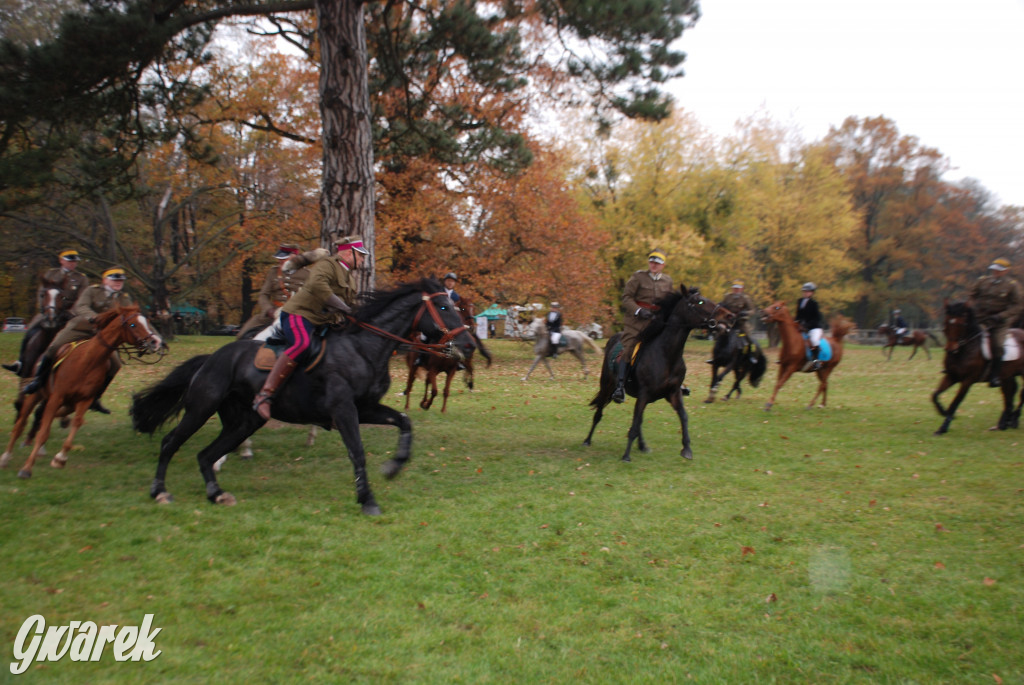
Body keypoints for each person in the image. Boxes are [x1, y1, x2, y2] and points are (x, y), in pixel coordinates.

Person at [253, 235, 368, 420]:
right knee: (302, 345)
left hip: (321, 321)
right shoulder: (328, 264)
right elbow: (318, 285)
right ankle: (264, 395)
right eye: (360, 255)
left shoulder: (350, 278)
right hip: (299, 314)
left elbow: (348, 305)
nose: (362, 260)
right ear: (349, 253)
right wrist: (344, 308)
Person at [22, 266, 136, 413]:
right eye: (114, 280)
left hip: (102, 336)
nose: (118, 283)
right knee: (53, 347)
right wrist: (93, 317)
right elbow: (81, 306)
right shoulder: (92, 291)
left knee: (115, 364)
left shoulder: (124, 298)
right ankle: (37, 380)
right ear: (105, 280)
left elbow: (133, 317)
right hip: (80, 328)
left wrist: (155, 336)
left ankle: (95, 398)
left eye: (120, 280)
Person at [4, 249, 90, 374]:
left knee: (84, 332)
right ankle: (21, 362)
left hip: (70, 313)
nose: (72, 264)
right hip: (49, 310)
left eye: (74, 261)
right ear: (61, 261)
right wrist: (44, 309)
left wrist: (71, 312)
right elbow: (41, 293)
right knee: (30, 331)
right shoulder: (51, 274)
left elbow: (81, 298)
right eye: (69, 261)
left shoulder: (81, 278)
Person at [611, 249, 674, 403]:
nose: (654, 265)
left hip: (657, 322)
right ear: (649, 262)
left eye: (657, 263)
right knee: (629, 348)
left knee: (672, 347)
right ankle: (620, 387)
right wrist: (639, 310)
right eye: (652, 262)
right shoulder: (638, 277)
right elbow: (626, 298)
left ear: (663, 265)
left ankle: (676, 382)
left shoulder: (668, 281)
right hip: (636, 322)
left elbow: (669, 302)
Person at [236, 244, 325, 339]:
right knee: (243, 334)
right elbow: (263, 295)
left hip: (295, 313)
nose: (280, 261)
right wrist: (269, 309)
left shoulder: (307, 274)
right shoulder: (273, 272)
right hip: (273, 312)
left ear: (294, 257)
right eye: (279, 258)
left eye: (284, 258)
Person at [968, 257, 1023, 387]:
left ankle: (995, 375)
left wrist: (1002, 316)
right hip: (981, 318)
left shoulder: (1012, 285)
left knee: (998, 345)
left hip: (999, 322)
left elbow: (1018, 305)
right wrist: (971, 308)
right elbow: (972, 295)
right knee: (965, 337)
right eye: (994, 270)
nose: (995, 272)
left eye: (999, 270)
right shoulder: (982, 281)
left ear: (1006, 271)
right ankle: (955, 367)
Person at [718, 280, 757, 363]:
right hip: (729, 320)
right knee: (720, 332)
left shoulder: (745, 298)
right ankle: (717, 355)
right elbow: (722, 306)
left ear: (742, 289)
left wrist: (745, 313)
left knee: (749, 337)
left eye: (738, 288)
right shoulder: (728, 297)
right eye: (734, 288)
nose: (736, 290)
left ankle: (751, 356)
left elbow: (752, 310)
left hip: (741, 322)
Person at [795, 282, 824, 371]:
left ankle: (816, 360)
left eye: (808, 291)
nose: (806, 293)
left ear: (812, 293)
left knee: (814, 340)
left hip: (814, 327)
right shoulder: (800, 301)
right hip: (802, 326)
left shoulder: (814, 303)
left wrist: (807, 325)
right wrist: (795, 322)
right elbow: (798, 315)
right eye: (804, 291)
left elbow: (817, 318)